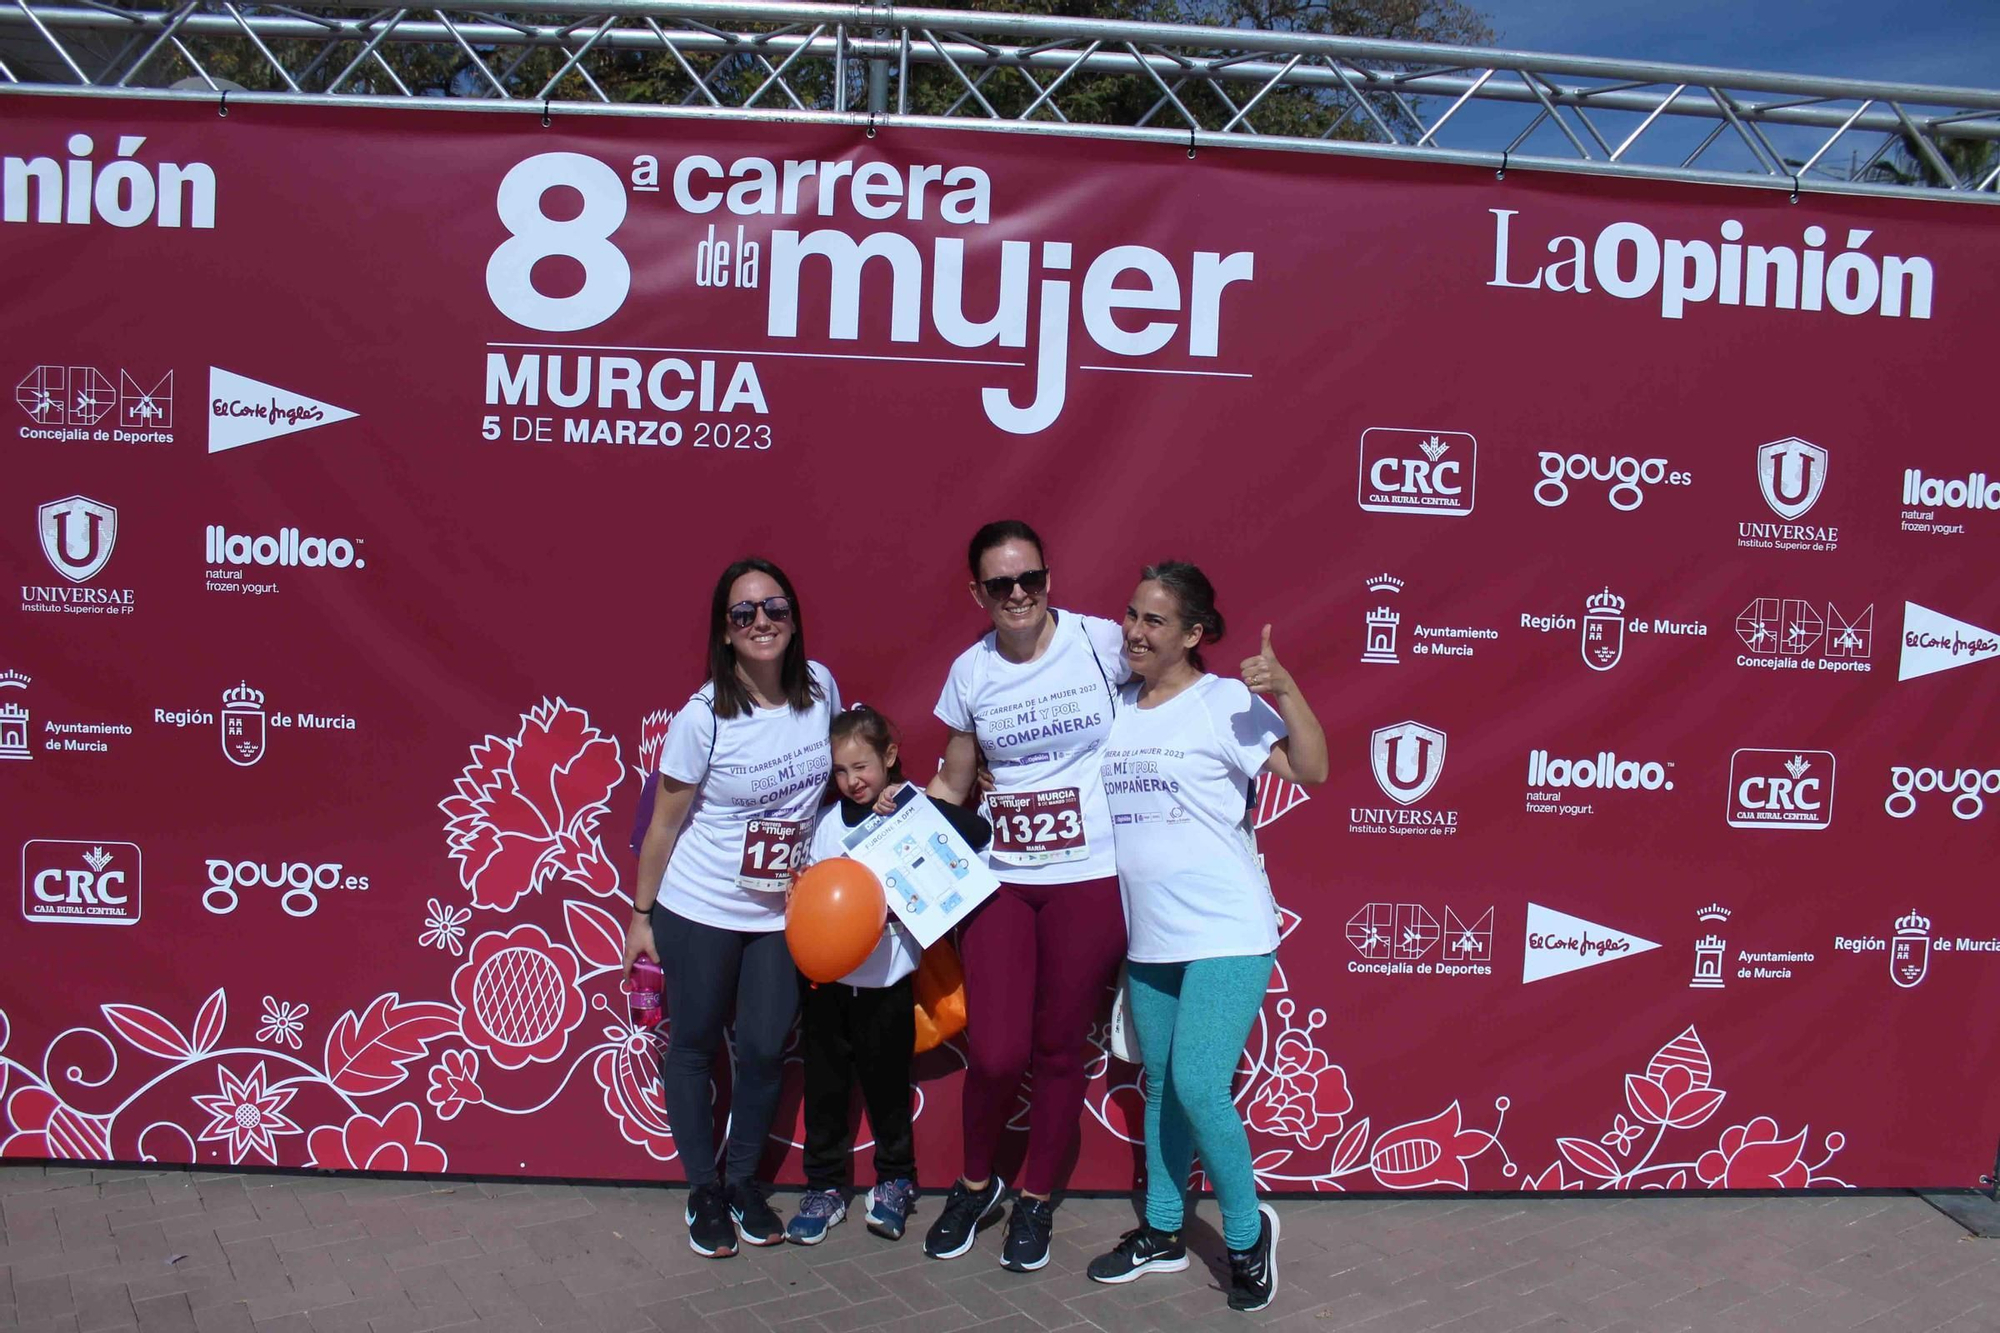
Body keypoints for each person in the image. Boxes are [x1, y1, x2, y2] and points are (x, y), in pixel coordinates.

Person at [1083, 561, 1327, 1314]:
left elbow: (1312, 769)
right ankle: (1161, 1230)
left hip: (1227, 929)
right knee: (1161, 1086)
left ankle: (1249, 1236)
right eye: (1131, 614)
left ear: (1193, 634)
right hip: (1151, 939)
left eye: (1155, 621)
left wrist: (1286, 690)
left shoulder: (1225, 700)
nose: (1135, 630)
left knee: (1197, 1084)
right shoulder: (1117, 705)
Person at [922, 520, 1129, 1272]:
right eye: (1001, 584)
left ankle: (1036, 1197)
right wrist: (894, 839)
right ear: (977, 592)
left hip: (1090, 878)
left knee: (1057, 1047)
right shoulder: (970, 671)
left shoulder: (1103, 642)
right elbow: (953, 778)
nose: (1019, 594)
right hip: (1002, 879)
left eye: (1030, 579)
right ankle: (976, 1183)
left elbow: (1175, 690)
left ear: (1049, 578)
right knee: (1000, 1049)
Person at [624, 557, 839, 1260]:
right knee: (691, 1045)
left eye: (773, 607)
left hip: (781, 913)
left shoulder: (821, 689)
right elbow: (663, 823)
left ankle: (743, 1180)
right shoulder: (703, 717)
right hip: (701, 906)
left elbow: (838, 784)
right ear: (725, 631)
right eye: (744, 613)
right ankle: (704, 1189)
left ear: (794, 616)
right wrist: (642, 914)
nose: (761, 623)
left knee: (764, 1048)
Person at [786, 705, 992, 1246]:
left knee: (887, 1091)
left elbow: (977, 832)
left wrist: (908, 803)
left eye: (863, 767)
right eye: (841, 771)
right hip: (825, 986)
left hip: (889, 985)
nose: (853, 781)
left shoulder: (908, 808)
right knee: (825, 1090)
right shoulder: (826, 825)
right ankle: (825, 1187)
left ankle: (897, 1181)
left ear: (890, 758)